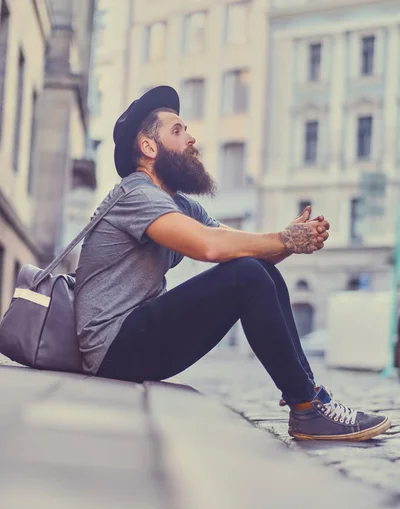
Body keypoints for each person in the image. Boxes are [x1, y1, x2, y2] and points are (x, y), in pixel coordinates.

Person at [75, 86, 390, 441]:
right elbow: (209, 247)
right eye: (177, 131)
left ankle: (309, 402)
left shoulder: (175, 203)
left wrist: (289, 240)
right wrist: (284, 240)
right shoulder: (136, 194)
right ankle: (307, 408)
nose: (191, 139)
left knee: (260, 271)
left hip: (135, 340)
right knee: (246, 275)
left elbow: (246, 250)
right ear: (149, 148)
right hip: (112, 348)